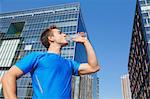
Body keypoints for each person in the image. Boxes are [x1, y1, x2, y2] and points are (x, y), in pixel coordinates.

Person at [1, 25, 100, 99]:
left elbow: (94, 67)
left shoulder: (69, 64)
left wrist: (85, 42)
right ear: (51, 38)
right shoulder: (37, 57)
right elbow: (8, 77)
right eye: (60, 33)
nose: (64, 34)